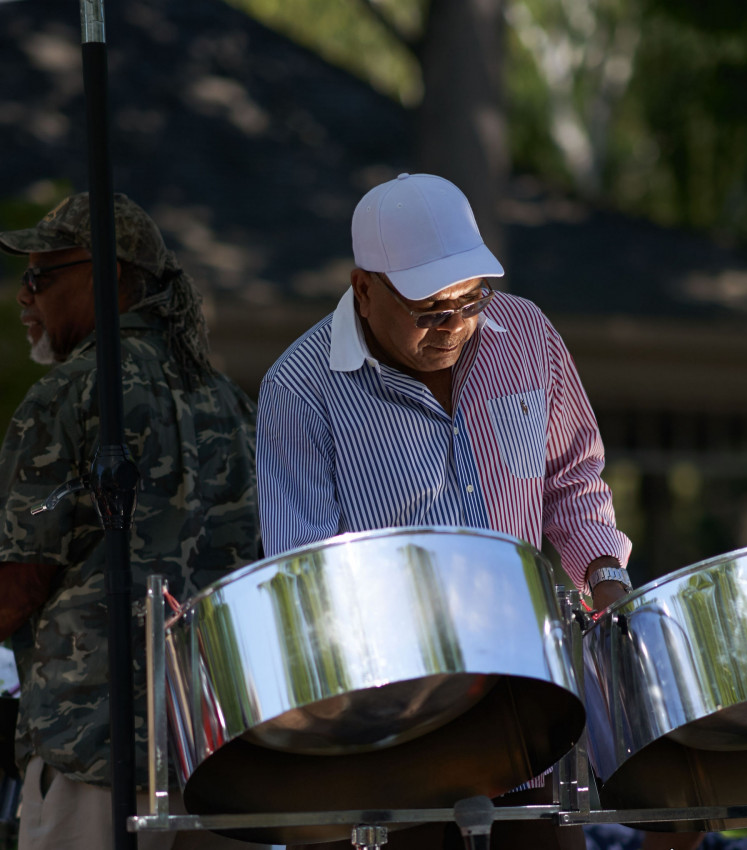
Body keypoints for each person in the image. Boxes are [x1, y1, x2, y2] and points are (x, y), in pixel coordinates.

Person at [256, 172, 634, 849]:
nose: (456, 324)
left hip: (524, 720)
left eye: (470, 300)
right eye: (431, 309)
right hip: (394, 742)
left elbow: (572, 481)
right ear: (364, 289)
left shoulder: (526, 335)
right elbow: (303, 577)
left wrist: (607, 581)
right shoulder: (299, 387)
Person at [0, 193, 267, 850]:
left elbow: (18, 588)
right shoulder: (227, 399)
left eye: (42, 276)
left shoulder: (73, 391)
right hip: (214, 753)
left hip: (94, 749)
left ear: (108, 276)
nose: (23, 297)